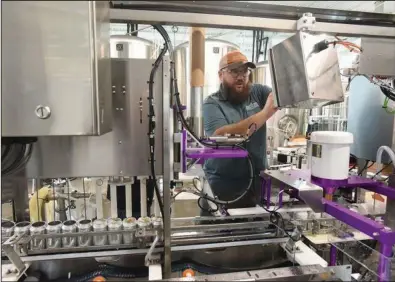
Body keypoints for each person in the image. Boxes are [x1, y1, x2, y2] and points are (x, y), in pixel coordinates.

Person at [201, 50, 278, 215]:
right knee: (218, 232)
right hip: (222, 184)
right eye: (234, 71)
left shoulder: (258, 93)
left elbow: (283, 94)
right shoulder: (212, 103)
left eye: (244, 71)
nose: (241, 76)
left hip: (256, 182)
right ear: (220, 75)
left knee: (254, 232)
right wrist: (264, 114)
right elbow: (221, 134)